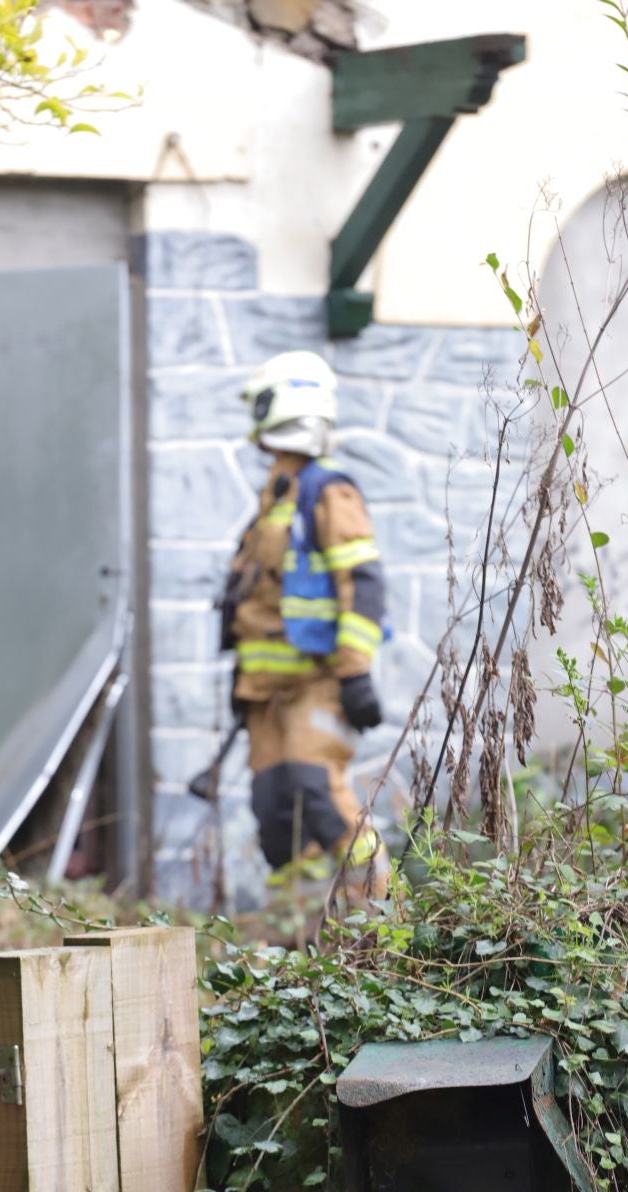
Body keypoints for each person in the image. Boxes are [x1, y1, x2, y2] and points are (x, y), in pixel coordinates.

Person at [219, 349, 390, 906]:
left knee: (320, 795)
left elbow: (361, 584)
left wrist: (355, 673)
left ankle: (384, 924)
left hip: (318, 681)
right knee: (275, 814)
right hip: (267, 693)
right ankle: (303, 947)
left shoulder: (328, 492)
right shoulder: (278, 496)